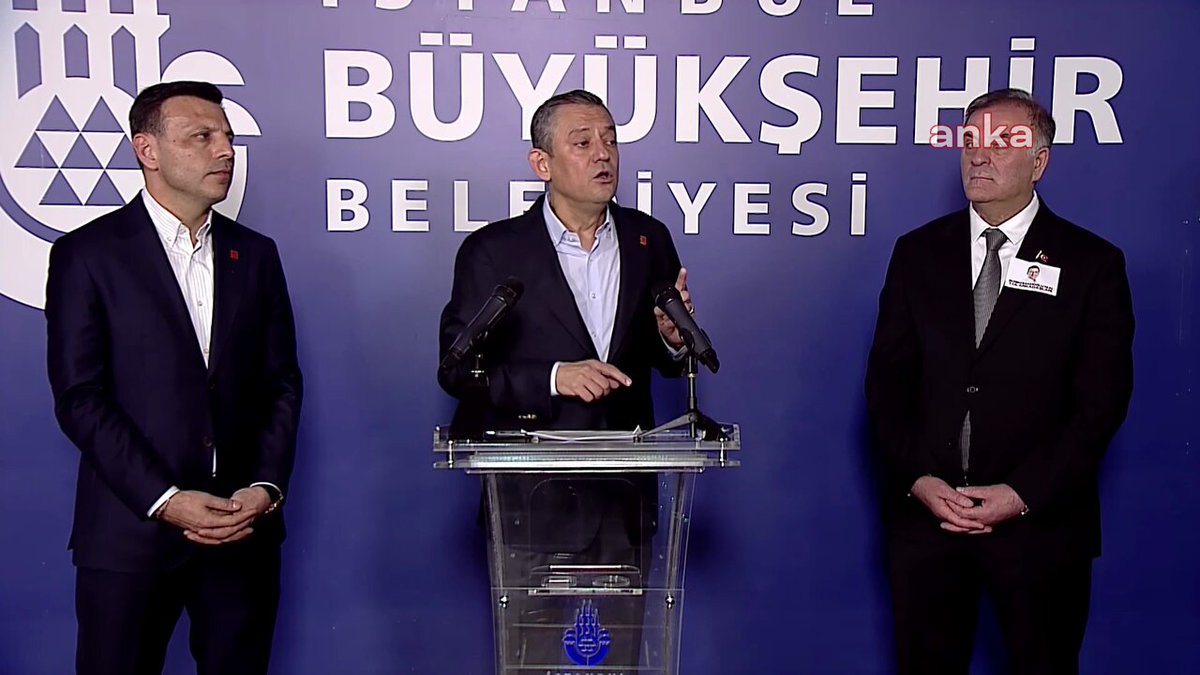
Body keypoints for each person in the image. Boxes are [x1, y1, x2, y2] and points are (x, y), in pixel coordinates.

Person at [865, 88, 1134, 675]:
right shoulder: (917, 253)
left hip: (1040, 530)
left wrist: (1021, 493)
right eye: (971, 140)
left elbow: (1100, 404)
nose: (979, 155)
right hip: (928, 525)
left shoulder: (1091, 264)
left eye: (1001, 142)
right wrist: (920, 479)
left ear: (1039, 163)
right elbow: (887, 385)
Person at [45, 80, 303, 675]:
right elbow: (80, 397)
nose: (225, 151)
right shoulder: (88, 254)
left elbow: (281, 384)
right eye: (201, 137)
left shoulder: (256, 254)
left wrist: (264, 488)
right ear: (148, 150)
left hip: (242, 530)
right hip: (129, 534)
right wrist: (166, 500)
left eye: (228, 138)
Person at [437, 88, 693, 668]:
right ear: (542, 163)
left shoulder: (648, 240)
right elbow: (457, 370)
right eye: (583, 143)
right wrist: (554, 377)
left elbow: (658, 354)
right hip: (533, 500)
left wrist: (673, 342)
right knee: (536, 658)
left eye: (610, 141)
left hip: (625, 499)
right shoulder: (493, 251)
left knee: (621, 658)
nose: (603, 154)